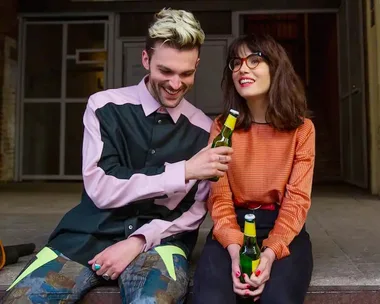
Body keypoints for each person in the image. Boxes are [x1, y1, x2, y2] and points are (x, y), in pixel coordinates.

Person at [1, 8, 233, 304]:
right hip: (83, 238)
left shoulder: (204, 129)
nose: (176, 84)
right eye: (166, 71)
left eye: (186, 73)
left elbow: (194, 212)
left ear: (197, 65)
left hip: (160, 245)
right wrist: (183, 171)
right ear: (146, 59)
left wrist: (137, 241)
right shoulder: (103, 106)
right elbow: (101, 188)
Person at [192, 33, 315, 304]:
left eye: (254, 60)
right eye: (236, 63)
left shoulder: (302, 129)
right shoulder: (223, 127)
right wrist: (237, 253)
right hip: (232, 226)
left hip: (282, 226)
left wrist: (269, 254)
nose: (242, 68)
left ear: (276, 68)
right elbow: (219, 198)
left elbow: (297, 201)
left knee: (278, 299)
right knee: (210, 299)